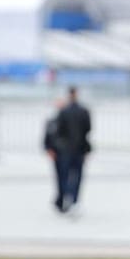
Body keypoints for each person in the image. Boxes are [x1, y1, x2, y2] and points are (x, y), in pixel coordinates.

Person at [53, 86, 92, 215]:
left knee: (65, 176)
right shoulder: (84, 111)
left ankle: (66, 197)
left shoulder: (63, 112)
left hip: (66, 150)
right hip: (79, 149)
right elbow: (88, 129)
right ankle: (74, 199)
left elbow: (58, 131)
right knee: (77, 176)